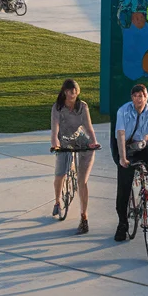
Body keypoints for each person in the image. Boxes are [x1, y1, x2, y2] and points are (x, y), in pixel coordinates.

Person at [113, 84, 148, 242]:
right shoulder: (123, 111)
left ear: (146, 97)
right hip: (124, 146)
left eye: (142, 96)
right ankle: (122, 225)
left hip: (142, 145)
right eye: (136, 96)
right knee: (124, 188)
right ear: (132, 98)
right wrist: (123, 158)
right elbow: (121, 134)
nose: (139, 99)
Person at [50, 79, 99, 234]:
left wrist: (93, 141)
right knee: (60, 174)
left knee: (82, 181)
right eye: (71, 91)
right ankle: (57, 201)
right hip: (63, 140)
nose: (74, 94)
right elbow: (55, 128)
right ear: (65, 92)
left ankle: (84, 217)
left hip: (79, 139)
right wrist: (55, 143)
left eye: (76, 91)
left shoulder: (82, 106)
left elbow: (88, 127)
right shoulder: (57, 107)